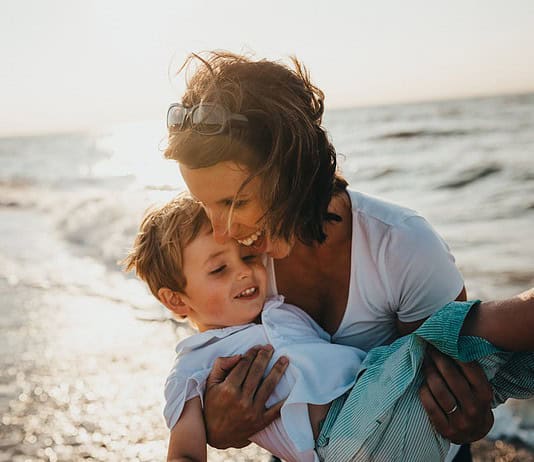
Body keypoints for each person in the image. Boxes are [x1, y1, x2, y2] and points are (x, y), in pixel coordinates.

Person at [162, 51, 494, 461]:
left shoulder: (403, 247)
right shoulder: (239, 263)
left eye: (235, 202)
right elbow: (219, 358)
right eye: (204, 205)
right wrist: (218, 424)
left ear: (292, 170)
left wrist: (472, 418)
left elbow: (451, 390)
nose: (221, 231)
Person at [122, 194, 534, 462]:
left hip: (393, 421)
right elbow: (185, 454)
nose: (245, 273)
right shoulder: (194, 365)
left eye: (247, 257)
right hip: (343, 436)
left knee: (507, 363)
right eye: (218, 268)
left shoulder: (279, 310)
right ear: (175, 300)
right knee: (468, 330)